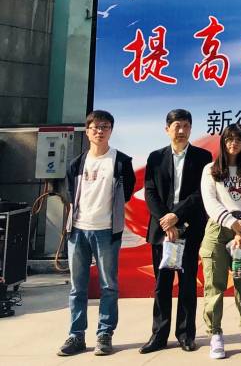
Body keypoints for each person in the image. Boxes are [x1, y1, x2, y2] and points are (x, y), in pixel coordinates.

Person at [58, 110, 136, 357]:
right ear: (87, 130)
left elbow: (127, 192)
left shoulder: (120, 162)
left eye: (105, 127)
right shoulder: (77, 163)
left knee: (108, 285)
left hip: (106, 231)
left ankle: (105, 334)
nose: (100, 131)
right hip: (78, 230)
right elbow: (70, 192)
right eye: (95, 127)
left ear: (111, 131)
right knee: (77, 287)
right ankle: (76, 335)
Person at [140, 109, 214, 354]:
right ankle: (158, 335)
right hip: (162, 230)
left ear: (191, 128)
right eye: (176, 126)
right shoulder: (155, 158)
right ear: (167, 129)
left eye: (185, 126)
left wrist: (177, 216)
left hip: (190, 228)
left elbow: (201, 192)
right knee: (162, 284)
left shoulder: (203, 157)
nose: (181, 130)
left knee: (187, 283)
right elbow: (150, 191)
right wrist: (166, 220)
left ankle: (185, 334)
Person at [199, 124, 241, 359]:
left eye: (238, 140)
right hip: (218, 228)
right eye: (229, 139)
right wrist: (231, 223)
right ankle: (215, 334)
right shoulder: (210, 169)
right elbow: (210, 201)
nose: (234, 144)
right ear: (223, 142)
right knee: (214, 284)